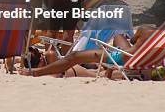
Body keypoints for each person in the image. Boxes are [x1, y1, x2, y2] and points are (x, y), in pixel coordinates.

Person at [21, 28, 157, 78]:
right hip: (130, 57)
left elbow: (133, 39)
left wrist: (134, 40)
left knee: (74, 57)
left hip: (119, 57)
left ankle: (35, 72)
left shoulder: (144, 31)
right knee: (118, 36)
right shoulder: (164, 44)